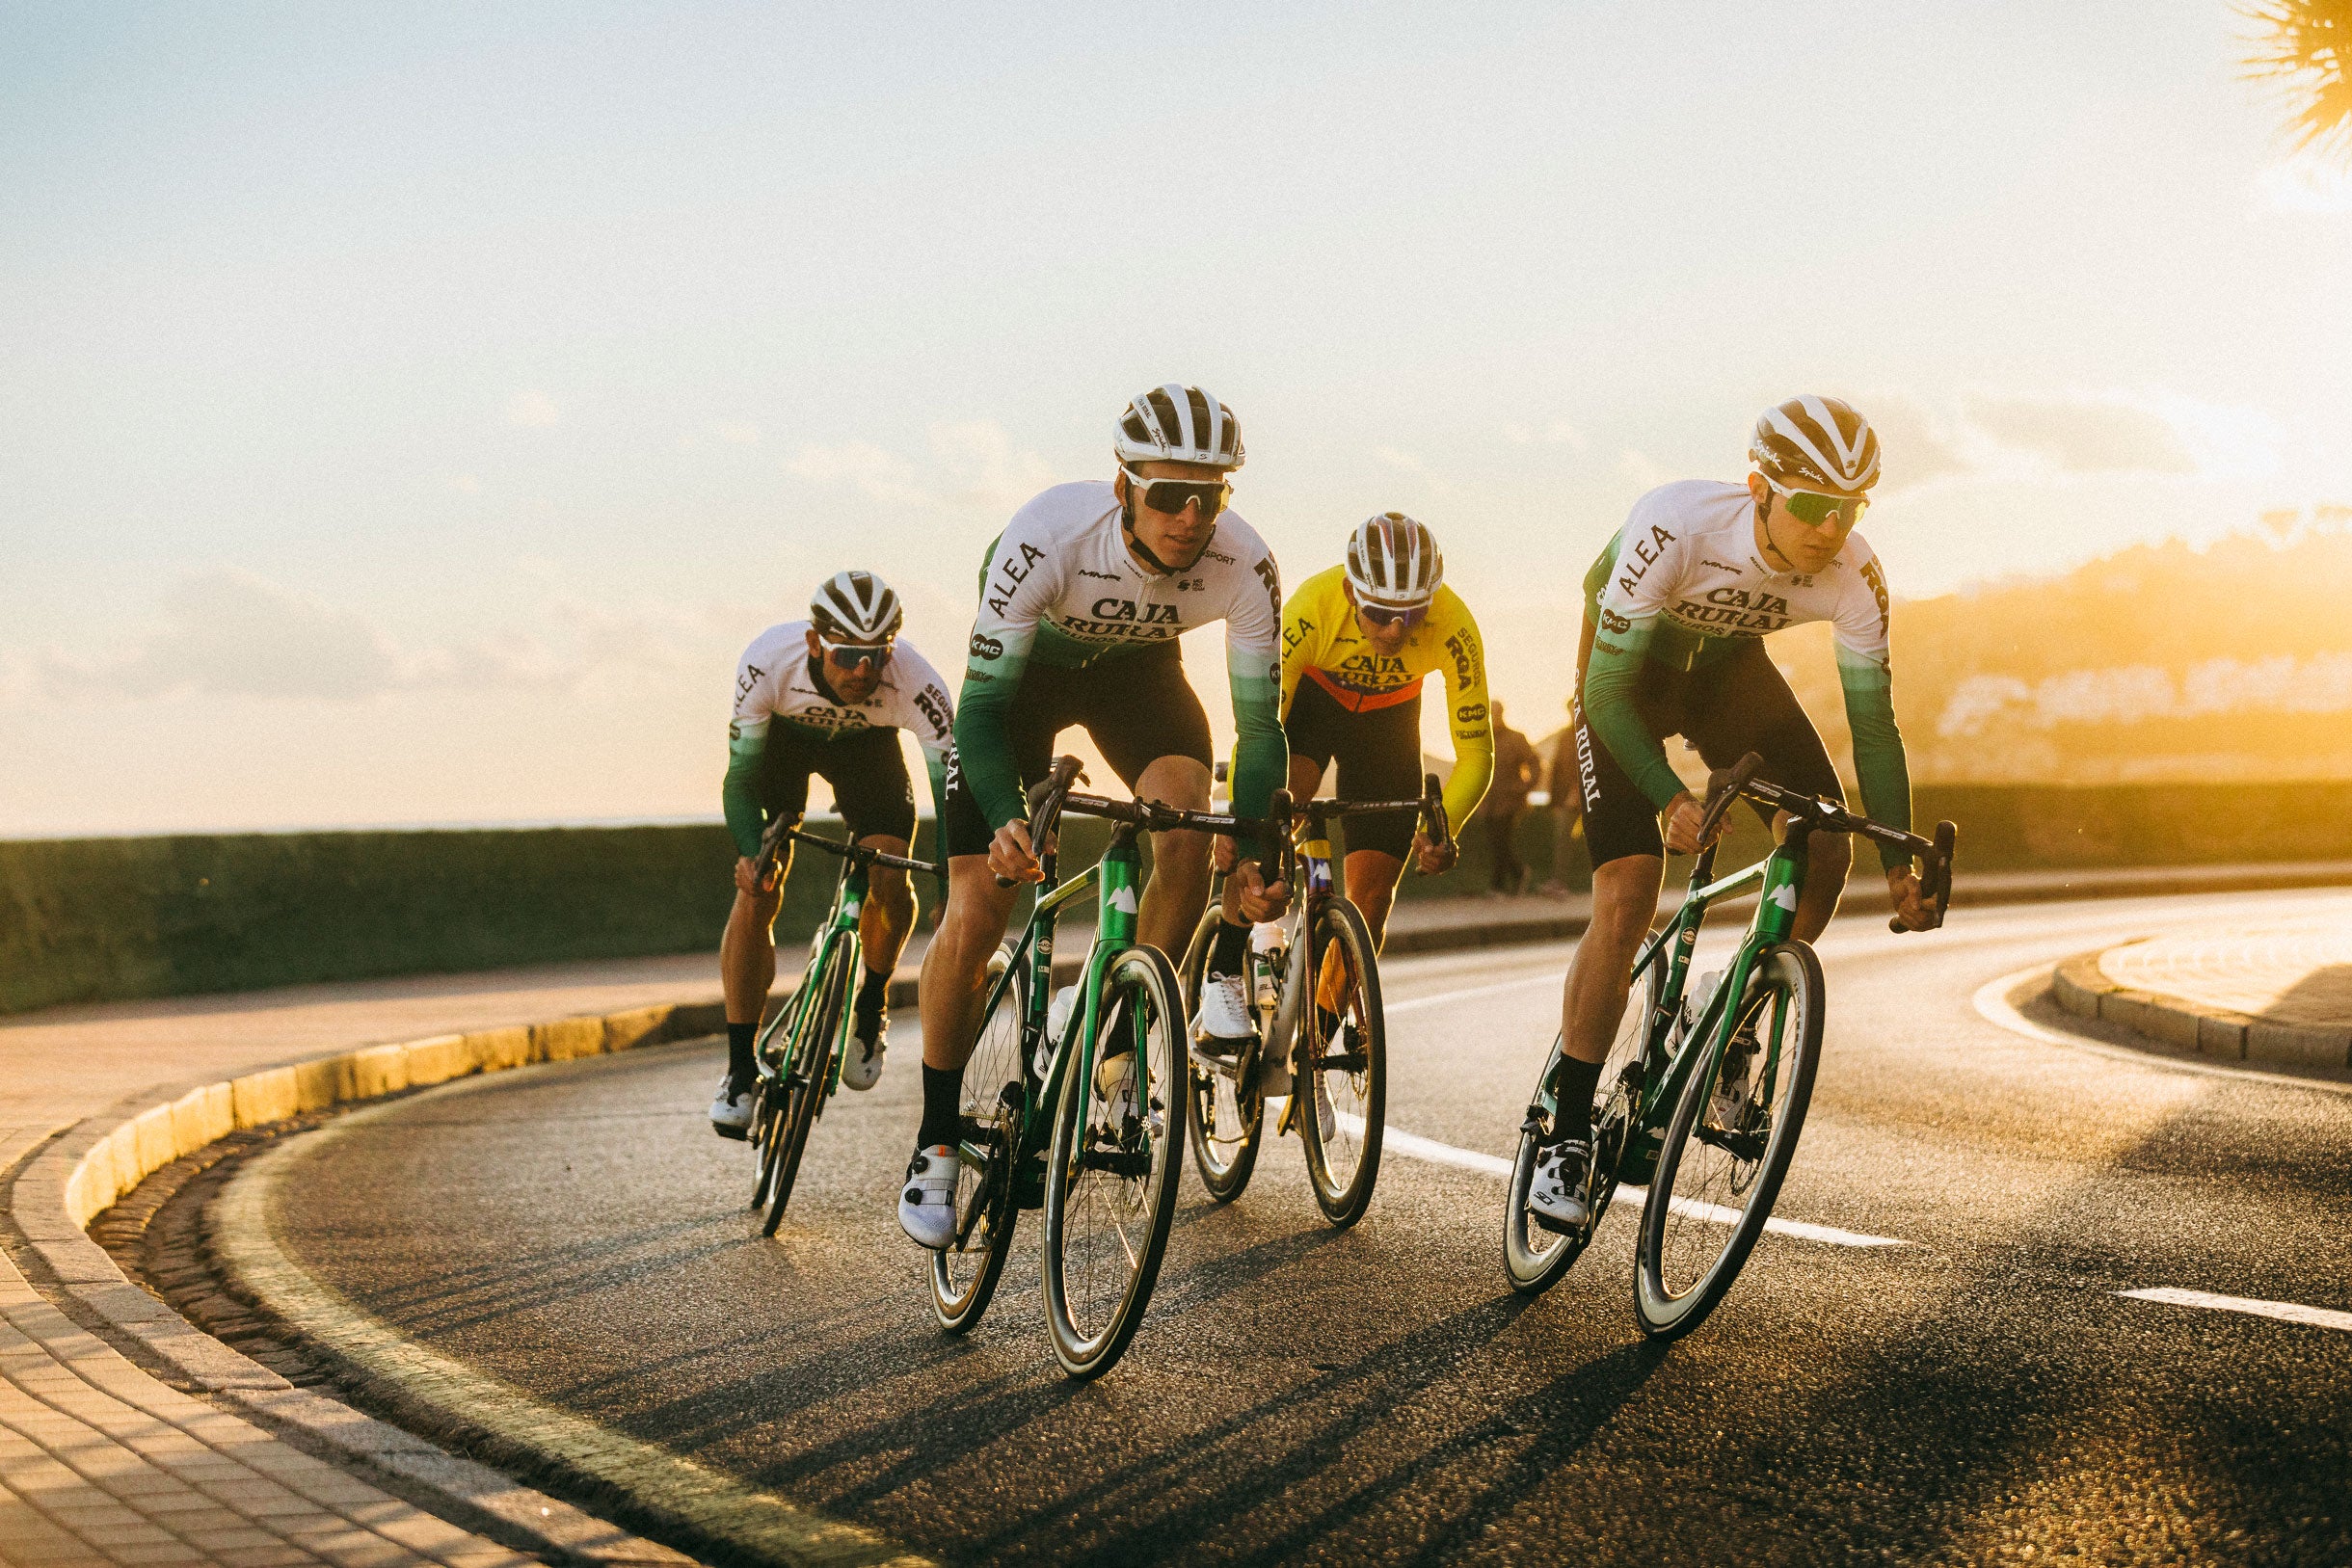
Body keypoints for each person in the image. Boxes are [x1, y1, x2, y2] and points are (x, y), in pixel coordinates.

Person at [1528, 396, 1935, 1228]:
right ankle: (1565, 1136)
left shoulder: (1855, 573)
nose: (1830, 528)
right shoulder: (1675, 525)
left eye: (1850, 508)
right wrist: (1669, 794)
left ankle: (1729, 1013)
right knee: (1628, 894)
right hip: (1626, 676)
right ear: (1760, 489)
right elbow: (1604, 694)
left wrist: (1901, 862)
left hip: (1725, 673)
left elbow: (1874, 727)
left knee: (1825, 844)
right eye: (1812, 504)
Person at [899, 385, 1290, 1247]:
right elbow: (980, 711)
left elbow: (1261, 730)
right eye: (1168, 494)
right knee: (978, 905)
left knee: (1187, 834)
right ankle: (936, 1137)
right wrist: (1005, 816)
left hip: (1137, 679)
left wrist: (1255, 850)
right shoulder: (1048, 535)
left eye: (1210, 496)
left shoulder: (1246, 562)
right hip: (1023, 687)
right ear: (1124, 490)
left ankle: (1112, 1042)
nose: (1190, 517)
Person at [708, 571, 953, 1139]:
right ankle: (740, 1070)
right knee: (758, 890)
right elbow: (740, 779)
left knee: (889, 871)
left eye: (877, 655)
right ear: (815, 643)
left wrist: (950, 889)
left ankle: (871, 1001)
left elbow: (951, 794)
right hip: (784, 748)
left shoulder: (917, 681)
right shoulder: (769, 662)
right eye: (847, 655)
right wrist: (750, 854)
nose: (863, 670)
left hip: (869, 755)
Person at [1273, 512, 1485, 955]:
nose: (1395, 629)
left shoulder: (1453, 622)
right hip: (1312, 710)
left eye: (1412, 614)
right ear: (1351, 591)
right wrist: (1245, 821)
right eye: (1379, 612)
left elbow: (1476, 756)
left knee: (1371, 902)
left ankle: (1333, 1000)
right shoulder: (1310, 609)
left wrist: (1443, 826)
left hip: (1387, 726)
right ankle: (1227, 961)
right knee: (1263, 838)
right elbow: (1260, 729)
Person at [1482, 701, 1539, 895]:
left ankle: (1497, 885)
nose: (1494, 716)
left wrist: (1523, 788)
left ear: (1502, 713)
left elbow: (1534, 763)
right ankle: (1519, 873)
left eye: (1496, 712)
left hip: (1509, 801)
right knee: (1495, 842)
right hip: (1488, 802)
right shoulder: (1483, 739)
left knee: (1501, 840)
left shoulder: (1516, 738)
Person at [1537, 695, 1584, 896]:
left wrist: (1577, 791)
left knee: (1591, 840)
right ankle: (1559, 882)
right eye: (1570, 710)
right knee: (1562, 840)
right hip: (1566, 798)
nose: (1572, 713)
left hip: (1585, 796)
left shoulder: (1589, 732)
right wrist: (1554, 800)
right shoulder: (1565, 735)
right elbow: (1556, 768)